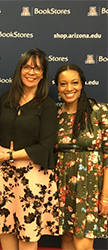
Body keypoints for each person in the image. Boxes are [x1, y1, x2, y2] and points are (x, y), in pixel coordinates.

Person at [0, 48, 59, 250]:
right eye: (27, 67)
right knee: (4, 228)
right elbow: (2, 129)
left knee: (28, 234)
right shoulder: (7, 98)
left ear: (43, 74)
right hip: (3, 173)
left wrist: (10, 155)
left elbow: (47, 145)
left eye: (37, 68)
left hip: (33, 175)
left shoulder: (47, 105)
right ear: (20, 69)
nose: (31, 72)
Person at [54, 64, 108, 250]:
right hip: (62, 185)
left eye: (74, 83)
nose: (69, 88)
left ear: (82, 84)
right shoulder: (56, 116)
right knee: (67, 239)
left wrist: (105, 196)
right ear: (58, 87)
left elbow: (107, 156)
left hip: (90, 187)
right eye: (63, 84)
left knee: (82, 245)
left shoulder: (98, 111)